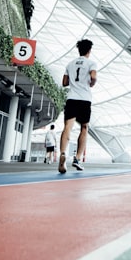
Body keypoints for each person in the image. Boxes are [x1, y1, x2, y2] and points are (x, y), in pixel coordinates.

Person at [58, 38, 98, 174]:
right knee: (84, 128)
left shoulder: (70, 64)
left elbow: (64, 82)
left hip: (71, 98)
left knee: (67, 127)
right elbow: (93, 77)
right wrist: (91, 84)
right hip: (85, 99)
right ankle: (77, 158)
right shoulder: (91, 63)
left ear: (79, 50)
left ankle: (63, 153)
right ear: (89, 51)